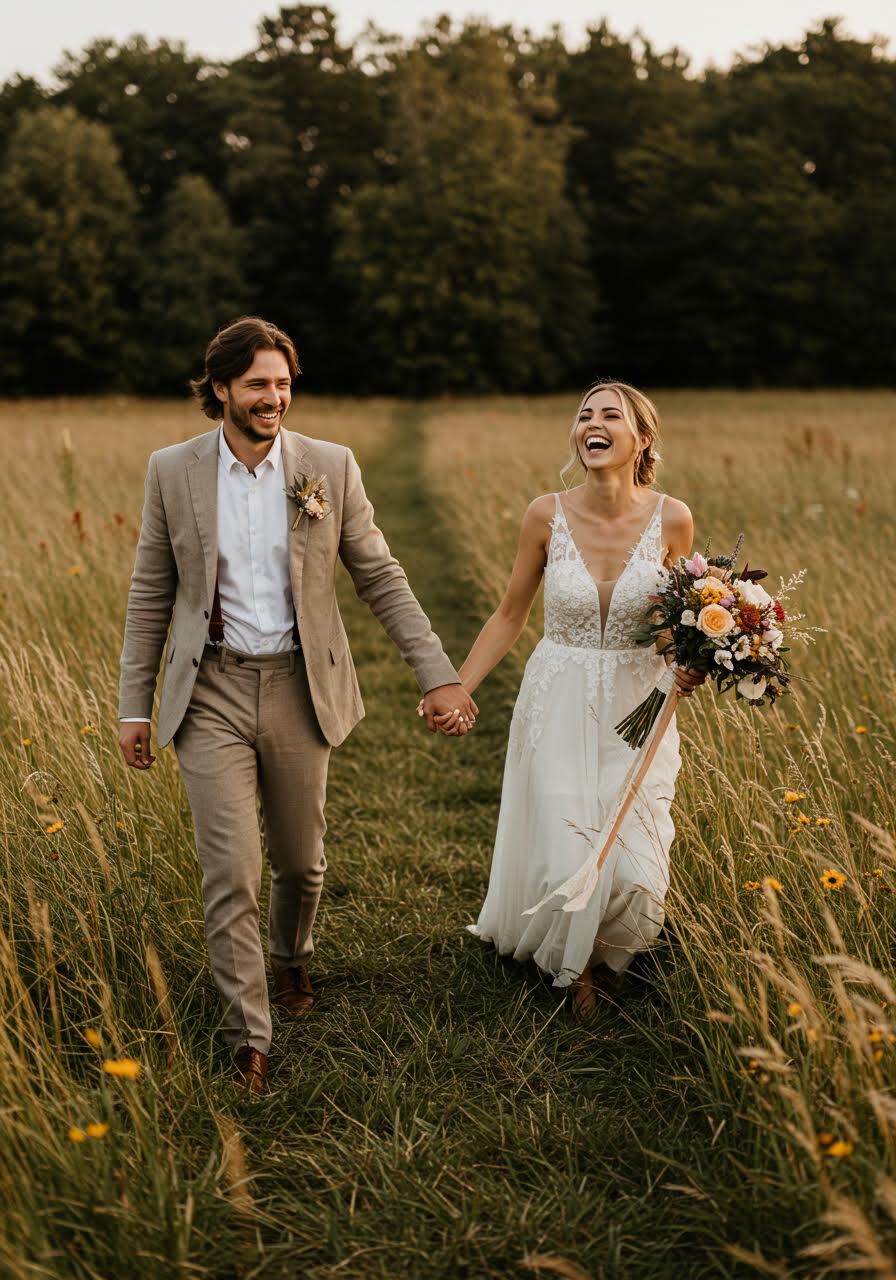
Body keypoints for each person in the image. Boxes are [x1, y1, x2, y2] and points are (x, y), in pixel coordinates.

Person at [118, 316, 477, 1093]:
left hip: (296, 687)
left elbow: (381, 577)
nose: (274, 397)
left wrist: (437, 673)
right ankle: (251, 1035)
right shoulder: (172, 470)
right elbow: (152, 591)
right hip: (207, 689)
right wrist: (133, 706)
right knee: (231, 869)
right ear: (220, 390)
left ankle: (292, 959)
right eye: (258, 385)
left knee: (301, 864)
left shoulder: (330, 467)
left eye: (283, 383)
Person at [444, 380, 704, 1014]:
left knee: (638, 862)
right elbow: (510, 614)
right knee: (567, 843)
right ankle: (577, 975)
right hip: (556, 696)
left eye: (610, 415)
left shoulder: (673, 519)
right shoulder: (545, 514)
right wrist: (458, 686)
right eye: (585, 414)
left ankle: (611, 953)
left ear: (641, 438)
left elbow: (680, 624)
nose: (593, 423)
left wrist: (694, 660)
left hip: (639, 705)